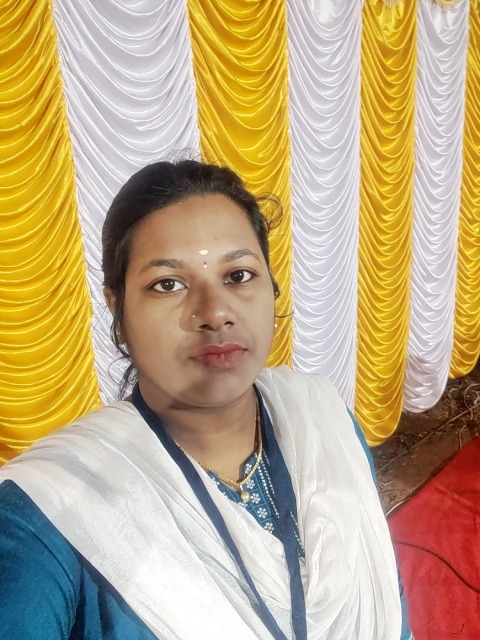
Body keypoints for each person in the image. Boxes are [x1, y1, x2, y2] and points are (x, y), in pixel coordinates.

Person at [0, 160, 413, 639]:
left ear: (272, 287)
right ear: (118, 310)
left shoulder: (323, 420)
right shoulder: (49, 512)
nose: (215, 312)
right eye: (168, 284)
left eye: (238, 275)